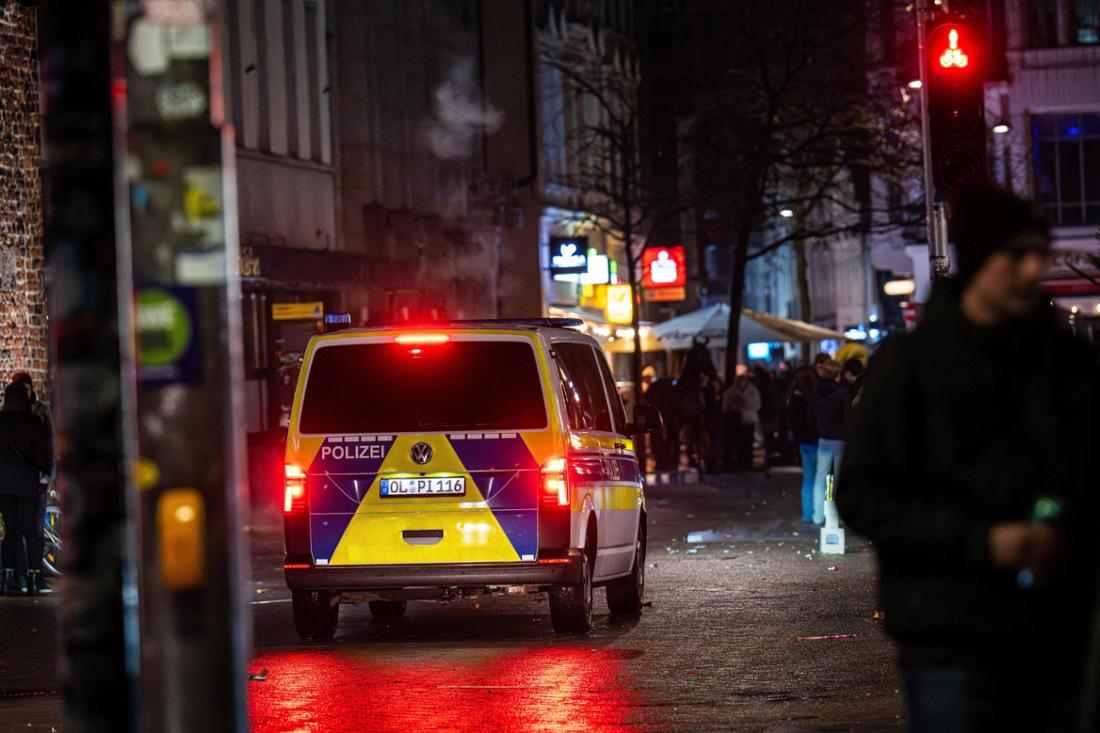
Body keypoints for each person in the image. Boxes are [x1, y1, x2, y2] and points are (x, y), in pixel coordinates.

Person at [838, 184, 1100, 732]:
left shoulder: (1068, 364)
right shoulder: (910, 368)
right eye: (1017, 255)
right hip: (952, 638)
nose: (1033, 270)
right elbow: (863, 495)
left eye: (1040, 254)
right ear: (982, 260)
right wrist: (982, 542)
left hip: (1059, 631)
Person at [0, 382, 52, 596]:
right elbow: (42, 454)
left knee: (11, 532)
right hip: (28, 483)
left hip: (3, 484)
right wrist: (43, 473)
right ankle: (34, 576)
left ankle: (9, 577)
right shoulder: (33, 422)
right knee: (31, 532)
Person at [807, 358, 847, 525]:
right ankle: (837, 515)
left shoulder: (815, 393)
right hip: (839, 440)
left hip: (823, 438)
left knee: (820, 478)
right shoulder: (842, 393)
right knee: (837, 479)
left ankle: (818, 515)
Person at [782, 367, 818, 524]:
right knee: (824, 479)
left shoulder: (791, 400)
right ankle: (824, 511)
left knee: (808, 478)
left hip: (803, 443)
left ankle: (808, 513)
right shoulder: (811, 400)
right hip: (819, 442)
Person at [722, 366, 761, 471]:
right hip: (737, 421)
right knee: (739, 444)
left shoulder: (752, 391)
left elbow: (756, 405)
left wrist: (743, 403)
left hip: (748, 421)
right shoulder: (732, 391)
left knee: (747, 444)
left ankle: (747, 464)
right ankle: (740, 463)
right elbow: (726, 405)